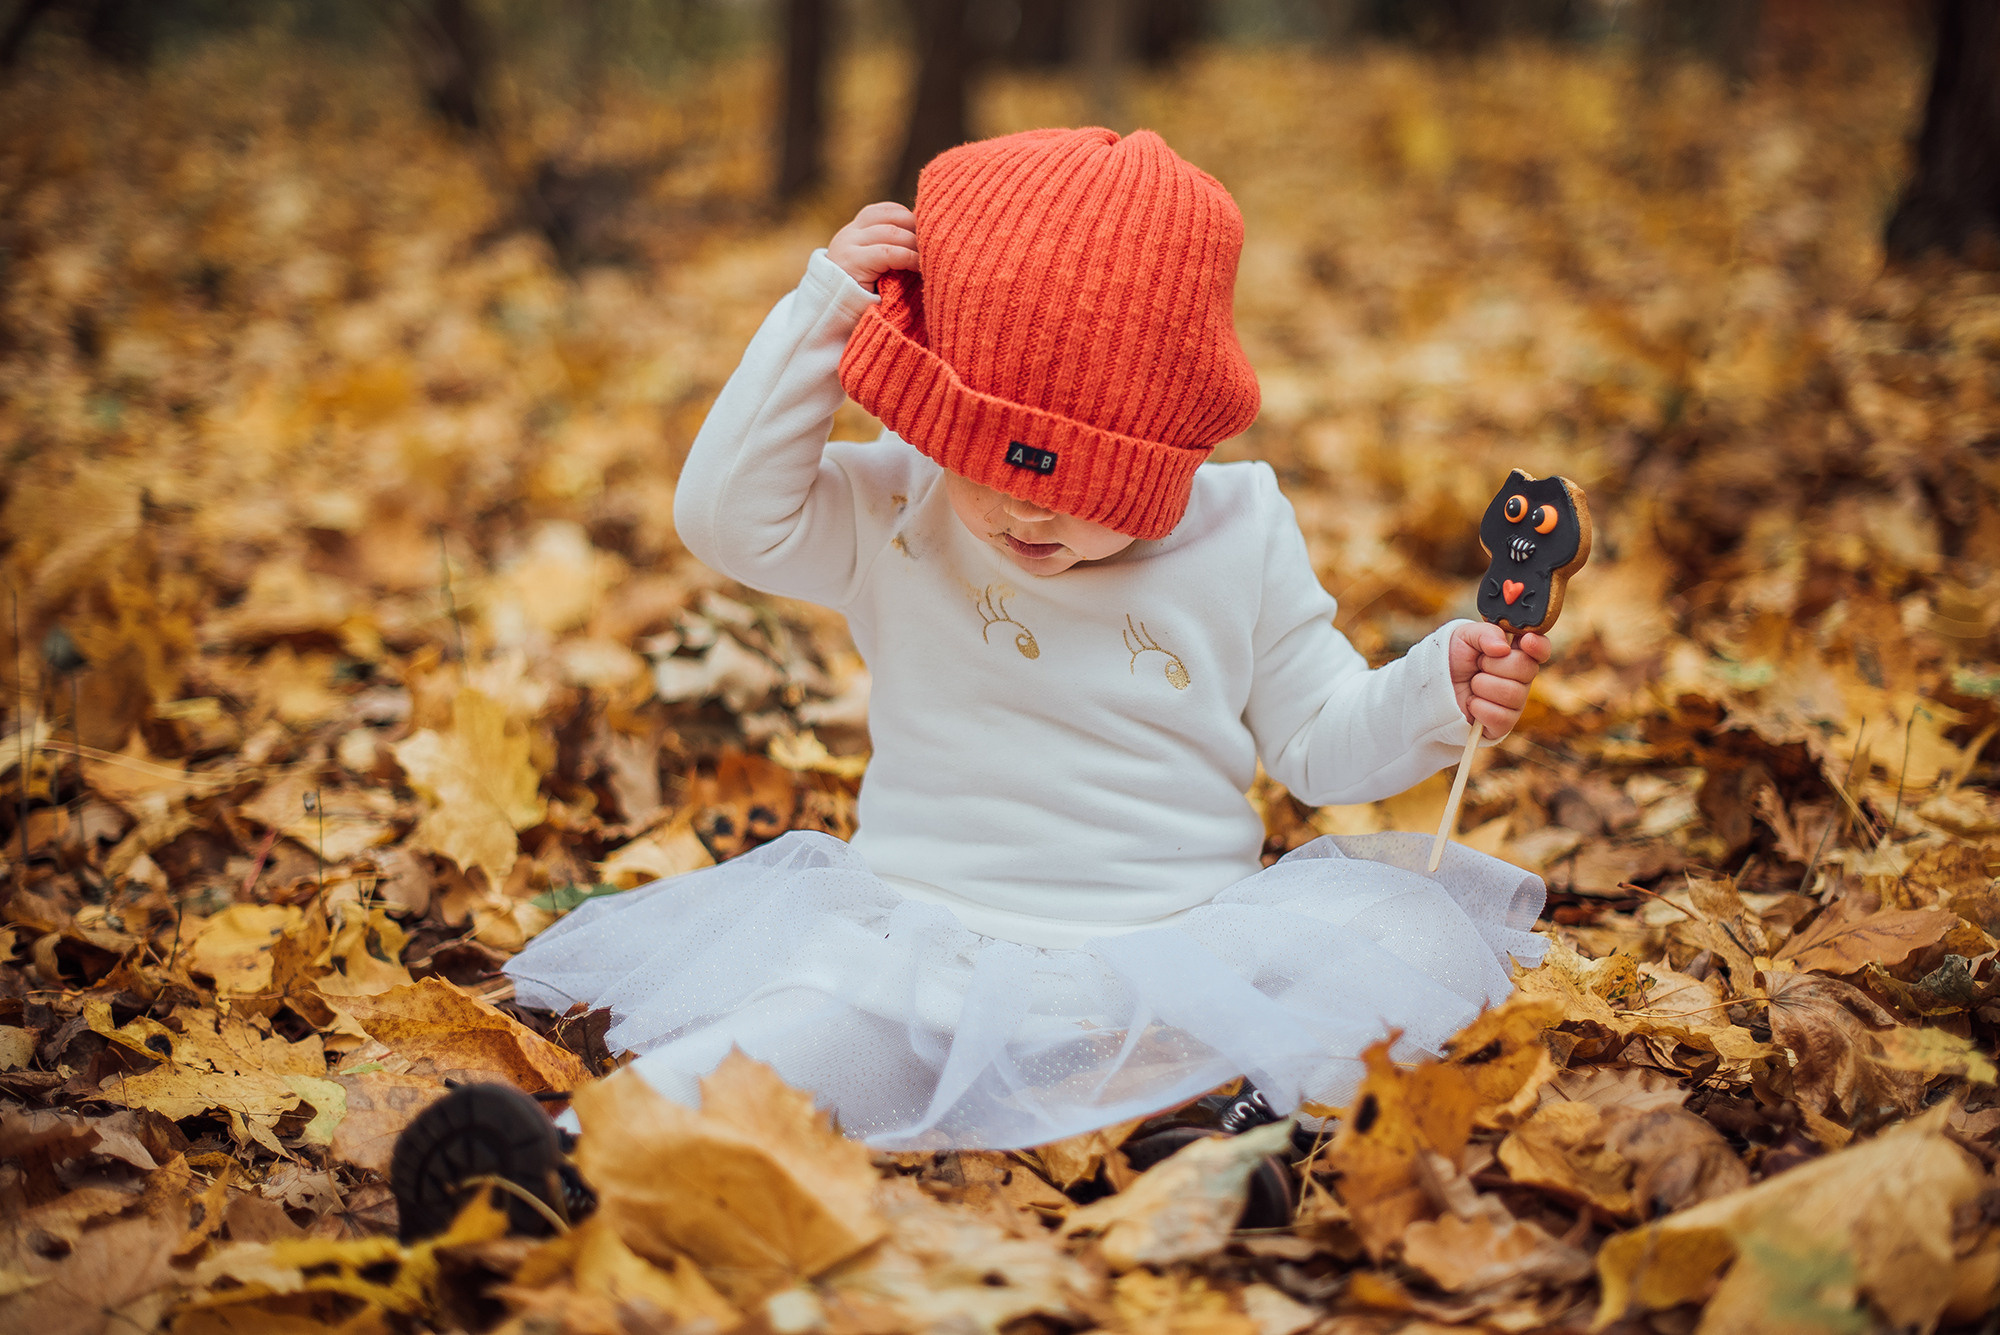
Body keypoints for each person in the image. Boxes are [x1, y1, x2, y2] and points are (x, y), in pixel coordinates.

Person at [501, 127, 1551, 1155]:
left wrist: (1431, 692)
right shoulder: (901, 510)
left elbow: (1320, 744)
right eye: (978, 465)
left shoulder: (1239, 530)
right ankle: (575, 1158)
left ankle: (1226, 1140)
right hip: (927, 944)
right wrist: (823, 317)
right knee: (798, 1037)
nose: (1020, 515)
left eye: (1079, 487)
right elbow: (726, 520)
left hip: (1172, 951)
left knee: (1399, 932)